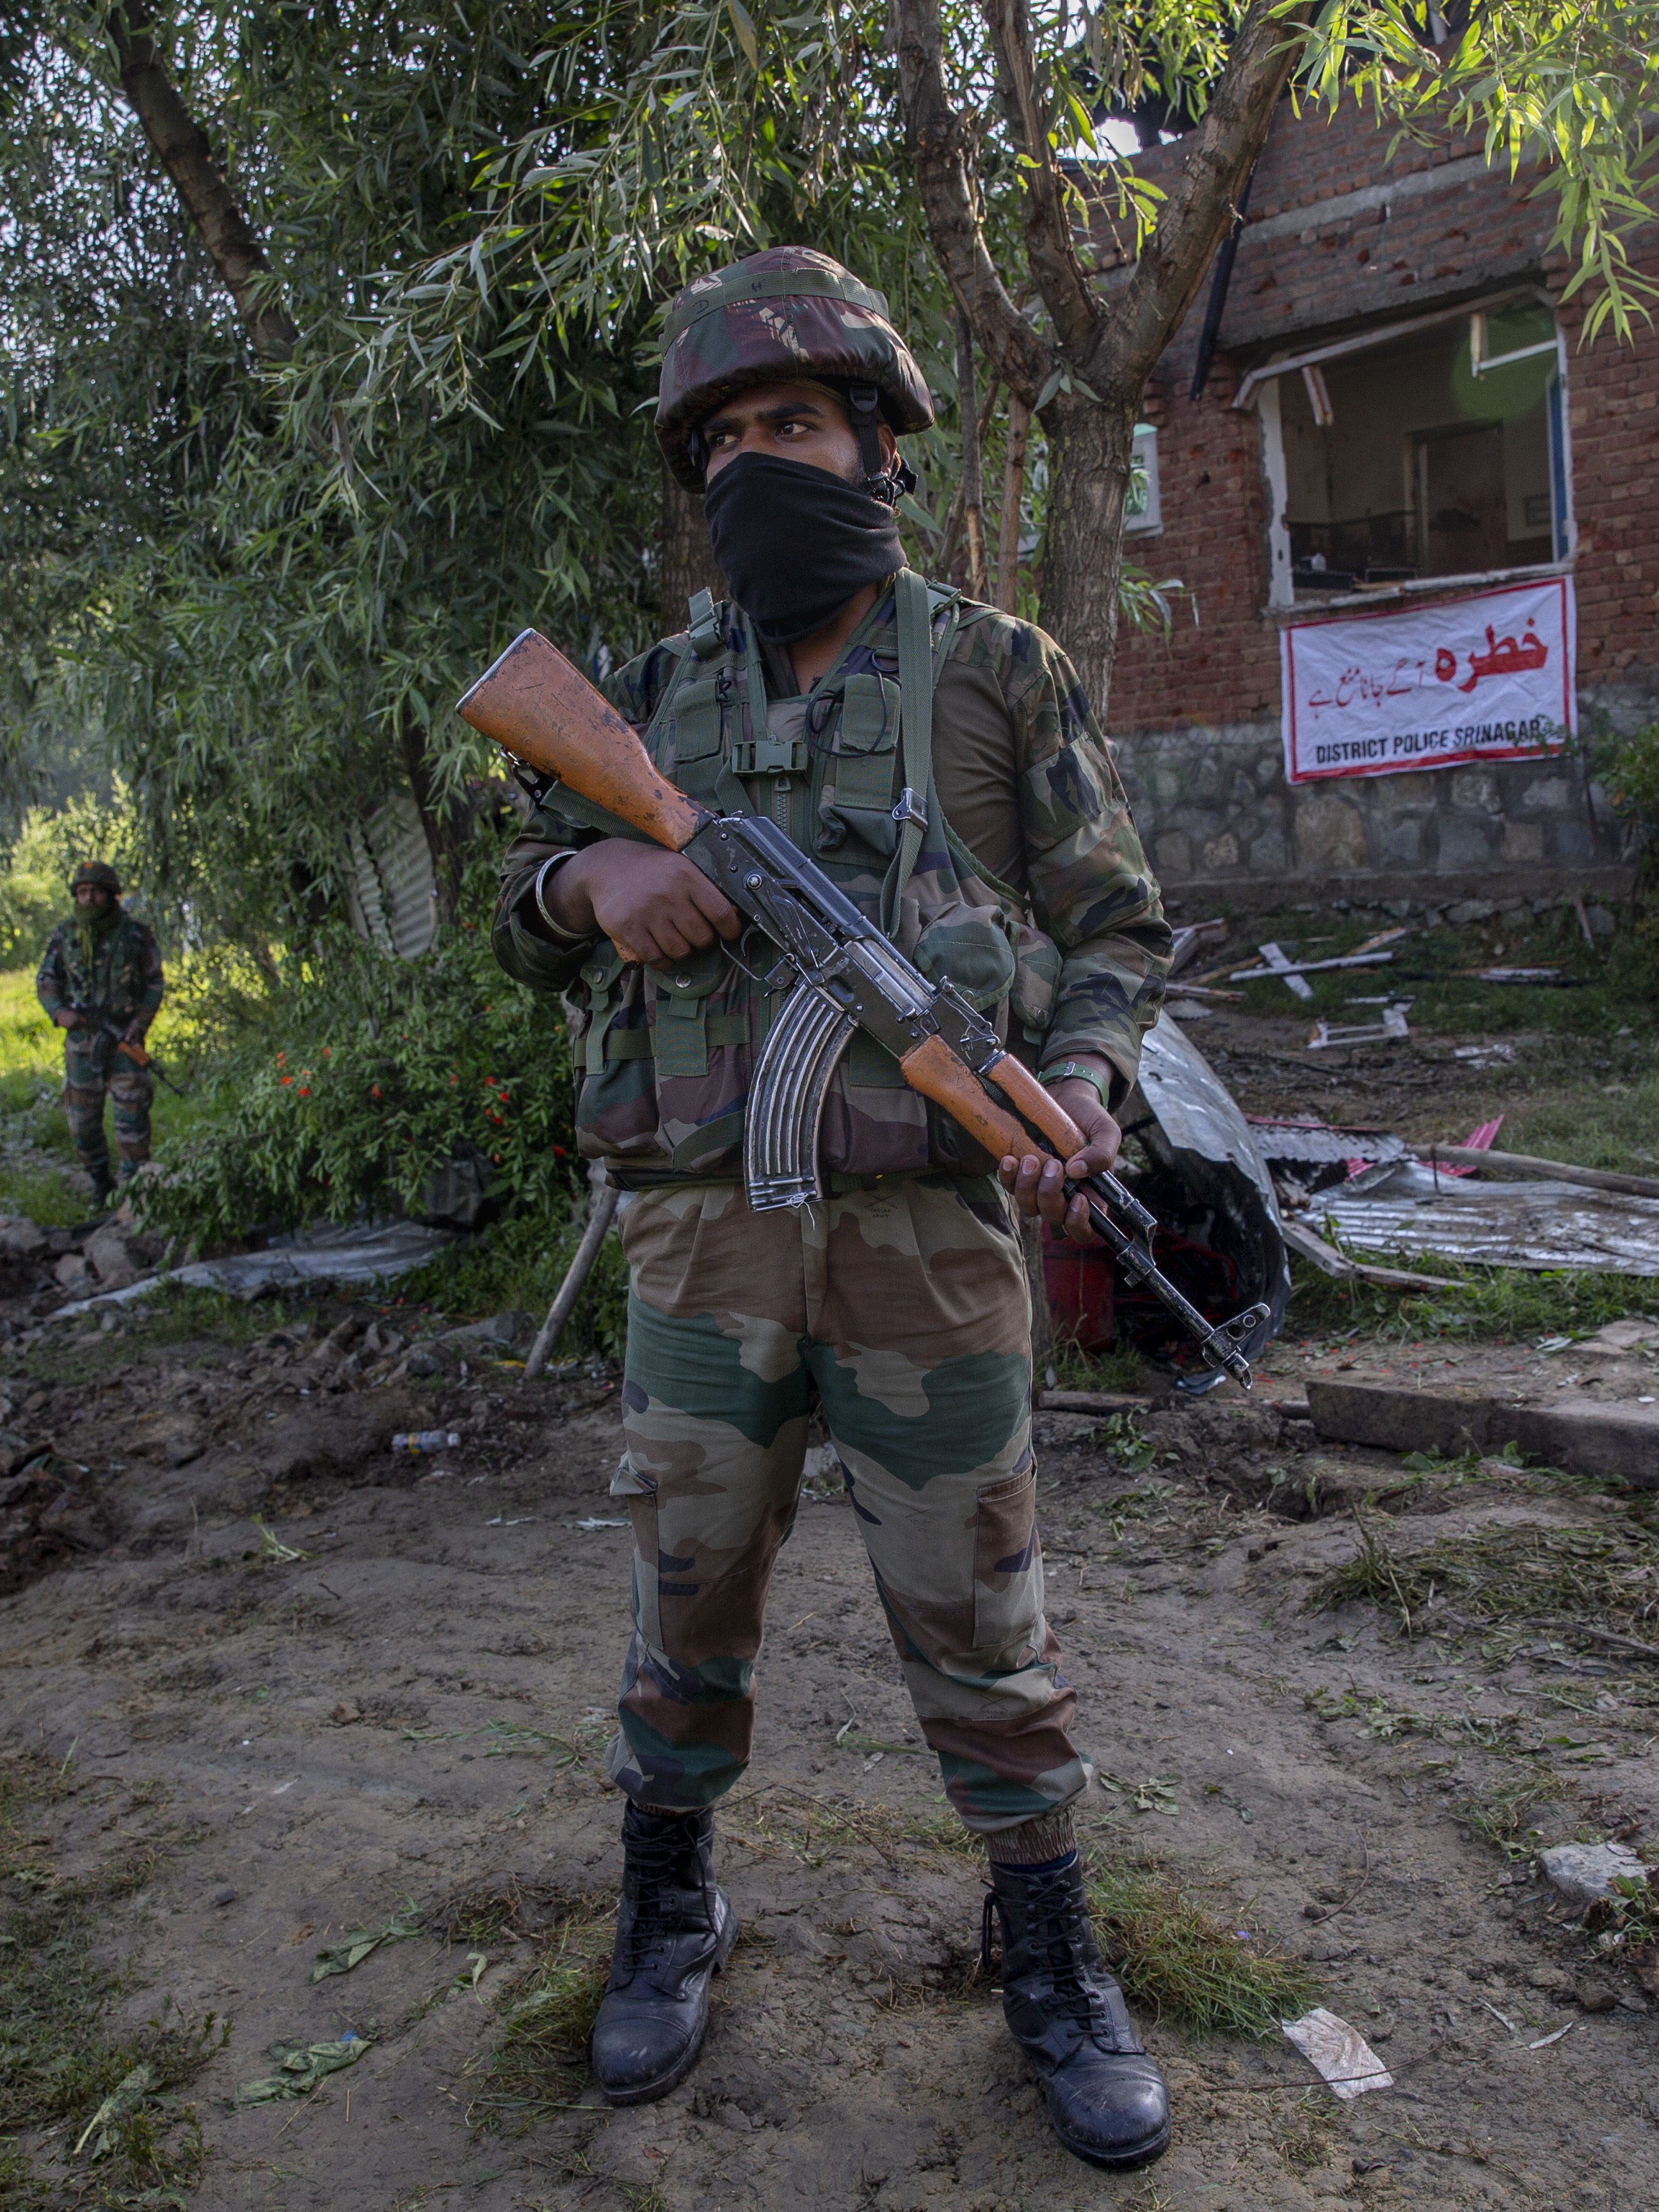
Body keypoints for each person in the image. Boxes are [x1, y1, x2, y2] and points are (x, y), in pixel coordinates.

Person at [490, 247, 1176, 2171]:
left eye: (789, 425)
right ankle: (670, 1904)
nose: (751, 471)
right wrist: (588, 896)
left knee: (981, 1613)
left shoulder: (994, 675)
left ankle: (1047, 1951)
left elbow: (1118, 928)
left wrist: (1090, 1092)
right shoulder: (647, 697)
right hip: (704, 1237)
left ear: (876, 438)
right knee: (685, 1594)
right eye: (717, 446)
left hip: (927, 1246)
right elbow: (522, 913)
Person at [33, 860, 165, 1206]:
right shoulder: (66, 935)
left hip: (124, 1042)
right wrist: (59, 1012)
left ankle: (133, 1193)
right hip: (81, 1045)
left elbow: (154, 982)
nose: (89, 899)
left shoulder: (136, 934)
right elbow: (48, 979)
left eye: (96, 892)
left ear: (110, 894)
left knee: (132, 1123)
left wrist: (138, 1025)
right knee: (82, 1125)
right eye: (83, 892)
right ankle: (101, 1184)